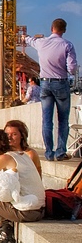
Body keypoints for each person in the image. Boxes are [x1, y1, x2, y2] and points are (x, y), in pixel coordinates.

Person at [23, 18, 78, 161]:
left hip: (45, 84)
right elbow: (72, 68)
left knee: (47, 120)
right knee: (63, 120)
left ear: (51, 28)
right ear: (64, 30)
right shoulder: (67, 45)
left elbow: (29, 40)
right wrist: (67, 70)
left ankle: (48, 153)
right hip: (61, 83)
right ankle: (60, 152)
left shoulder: (41, 42)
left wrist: (25, 37)